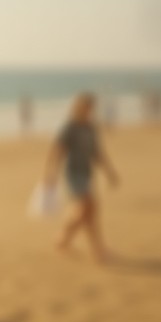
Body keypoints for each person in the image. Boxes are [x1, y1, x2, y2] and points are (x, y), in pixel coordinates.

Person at [44, 92, 120, 263]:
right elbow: (57, 150)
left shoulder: (91, 128)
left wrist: (109, 172)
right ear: (78, 107)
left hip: (87, 173)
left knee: (89, 212)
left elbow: (97, 152)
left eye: (91, 108)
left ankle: (63, 240)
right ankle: (96, 249)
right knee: (88, 208)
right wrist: (51, 173)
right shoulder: (69, 127)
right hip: (73, 174)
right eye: (87, 107)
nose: (90, 111)